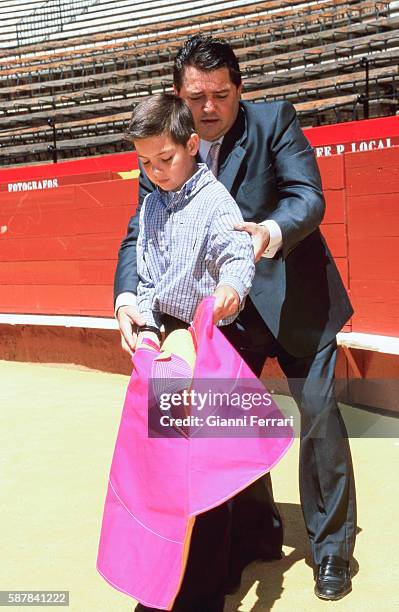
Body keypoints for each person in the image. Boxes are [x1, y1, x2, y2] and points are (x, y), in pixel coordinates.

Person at [115, 35, 357, 604]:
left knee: (318, 418)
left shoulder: (276, 121)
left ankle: (331, 552)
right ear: (179, 97)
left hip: (298, 301)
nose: (208, 107)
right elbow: (137, 234)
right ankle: (256, 534)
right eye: (196, 96)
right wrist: (128, 300)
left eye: (220, 94)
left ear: (239, 90)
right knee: (226, 432)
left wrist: (267, 236)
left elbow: (307, 197)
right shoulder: (166, 146)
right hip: (222, 321)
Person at [126, 92, 255, 346]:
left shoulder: (216, 200)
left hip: (216, 332)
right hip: (171, 329)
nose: (155, 171)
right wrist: (149, 327)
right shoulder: (150, 205)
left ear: (192, 145)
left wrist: (230, 287)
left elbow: (238, 255)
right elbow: (148, 276)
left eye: (165, 159)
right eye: (146, 162)